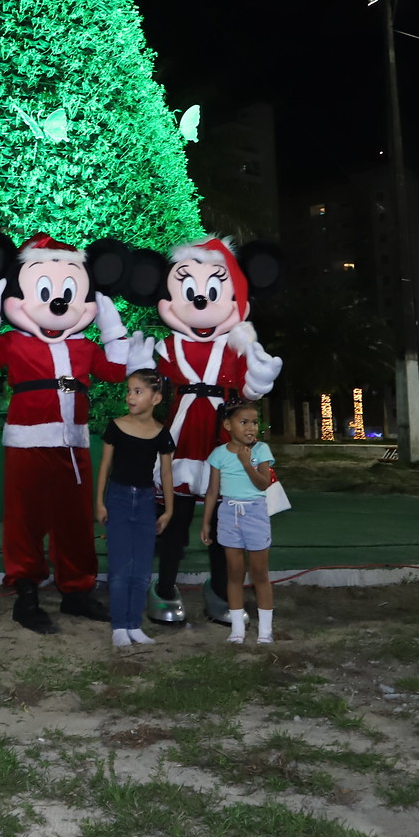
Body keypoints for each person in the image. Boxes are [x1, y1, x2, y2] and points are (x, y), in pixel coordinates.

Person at [0, 229, 130, 634]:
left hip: (72, 444)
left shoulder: (85, 348)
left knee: (74, 519)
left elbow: (116, 369)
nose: (58, 301)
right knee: (25, 519)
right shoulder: (14, 343)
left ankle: (76, 590)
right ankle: (26, 591)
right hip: (26, 443)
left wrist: (109, 319)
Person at [120, 236, 283, 626]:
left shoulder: (238, 347)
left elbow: (250, 390)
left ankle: (220, 589)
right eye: (189, 289)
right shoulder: (169, 347)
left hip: (222, 441)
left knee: (229, 521)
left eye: (213, 289)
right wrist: (139, 369)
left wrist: (260, 373)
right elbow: (147, 390)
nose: (199, 301)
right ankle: (164, 587)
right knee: (173, 521)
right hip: (181, 440)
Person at [95, 369, 175, 649]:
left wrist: (168, 510)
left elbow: (166, 474)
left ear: (156, 398)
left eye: (138, 391)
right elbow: (105, 466)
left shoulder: (161, 434)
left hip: (145, 502)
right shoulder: (116, 427)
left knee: (141, 569)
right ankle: (119, 625)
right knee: (119, 568)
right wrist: (100, 501)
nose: (130, 396)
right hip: (117, 499)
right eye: (129, 390)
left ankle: (135, 625)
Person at [200, 399, 277, 645]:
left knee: (259, 573)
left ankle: (265, 631)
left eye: (254, 422)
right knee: (234, 573)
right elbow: (212, 492)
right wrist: (206, 523)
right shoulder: (218, 454)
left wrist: (247, 463)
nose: (250, 428)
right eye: (243, 422)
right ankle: (237, 629)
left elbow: (264, 484)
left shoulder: (261, 450)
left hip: (255, 514)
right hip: (228, 515)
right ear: (227, 425)